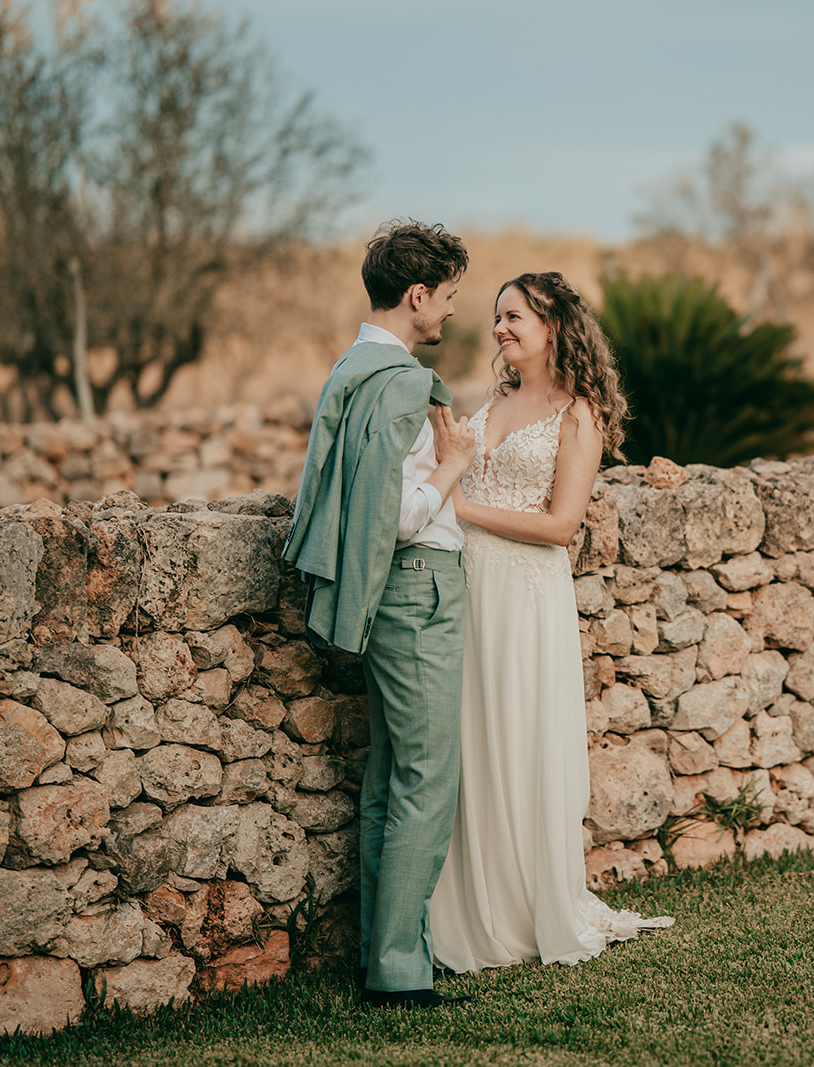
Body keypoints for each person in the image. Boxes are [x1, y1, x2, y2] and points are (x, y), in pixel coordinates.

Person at [429, 271, 673, 974]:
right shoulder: (497, 396)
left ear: (554, 326)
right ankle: (471, 903)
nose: (500, 328)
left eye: (515, 317)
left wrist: (458, 508)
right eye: (498, 317)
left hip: (525, 592)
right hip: (468, 585)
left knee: (518, 736)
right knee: (472, 738)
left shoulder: (578, 413)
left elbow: (562, 524)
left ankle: (523, 908)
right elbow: (463, 469)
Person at [283, 220, 476, 1010]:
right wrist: (456, 464)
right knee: (428, 778)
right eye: (450, 297)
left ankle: (381, 955)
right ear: (418, 294)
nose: (453, 314)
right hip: (418, 589)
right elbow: (391, 516)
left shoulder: (349, 369)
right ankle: (399, 970)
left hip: (387, 598)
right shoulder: (399, 382)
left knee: (389, 777)